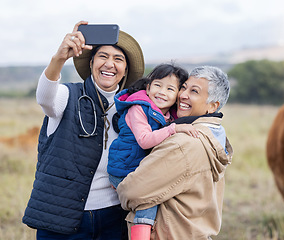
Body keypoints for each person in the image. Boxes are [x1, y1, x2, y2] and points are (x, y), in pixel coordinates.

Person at [22, 21, 144, 239]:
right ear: (91, 63)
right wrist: (59, 58)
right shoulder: (67, 96)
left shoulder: (131, 109)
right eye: (103, 57)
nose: (110, 64)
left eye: (118, 59)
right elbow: (44, 96)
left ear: (125, 69)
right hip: (62, 219)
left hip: (114, 218)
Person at [116, 66, 234, 239]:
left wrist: (120, 187)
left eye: (194, 91)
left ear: (213, 106)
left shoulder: (184, 143)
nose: (183, 95)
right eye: (184, 87)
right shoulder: (216, 136)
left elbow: (132, 191)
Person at [108, 63, 199, 239]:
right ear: (148, 88)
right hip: (123, 168)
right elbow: (144, 141)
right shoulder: (139, 108)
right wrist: (174, 129)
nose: (162, 92)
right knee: (147, 200)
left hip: (139, 169)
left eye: (170, 89)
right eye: (157, 85)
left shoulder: (169, 115)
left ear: (177, 95)